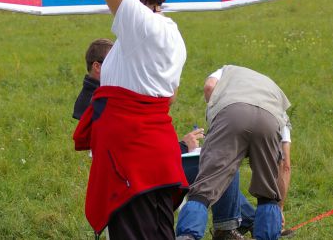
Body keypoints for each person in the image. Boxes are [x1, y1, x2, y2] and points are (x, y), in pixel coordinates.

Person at [73, 39, 249, 240]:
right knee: (218, 164)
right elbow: (134, 145)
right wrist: (184, 146)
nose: (122, 68)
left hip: (141, 167)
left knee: (216, 165)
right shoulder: (104, 100)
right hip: (138, 175)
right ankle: (206, 232)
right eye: (116, 63)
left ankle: (235, 224)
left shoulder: (108, 95)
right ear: (97, 67)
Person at [73, 0, 188, 239]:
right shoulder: (167, 31)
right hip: (148, 156)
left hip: (134, 160)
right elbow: (169, 96)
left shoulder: (143, 27)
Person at [176, 65, 292, 240]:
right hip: (269, 120)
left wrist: (215, 114)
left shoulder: (227, 70)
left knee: (204, 189)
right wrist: (279, 207)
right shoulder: (273, 90)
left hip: (231, 114)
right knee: (268, 194)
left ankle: (188, 235)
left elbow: (209, 87)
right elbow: (285, 165)